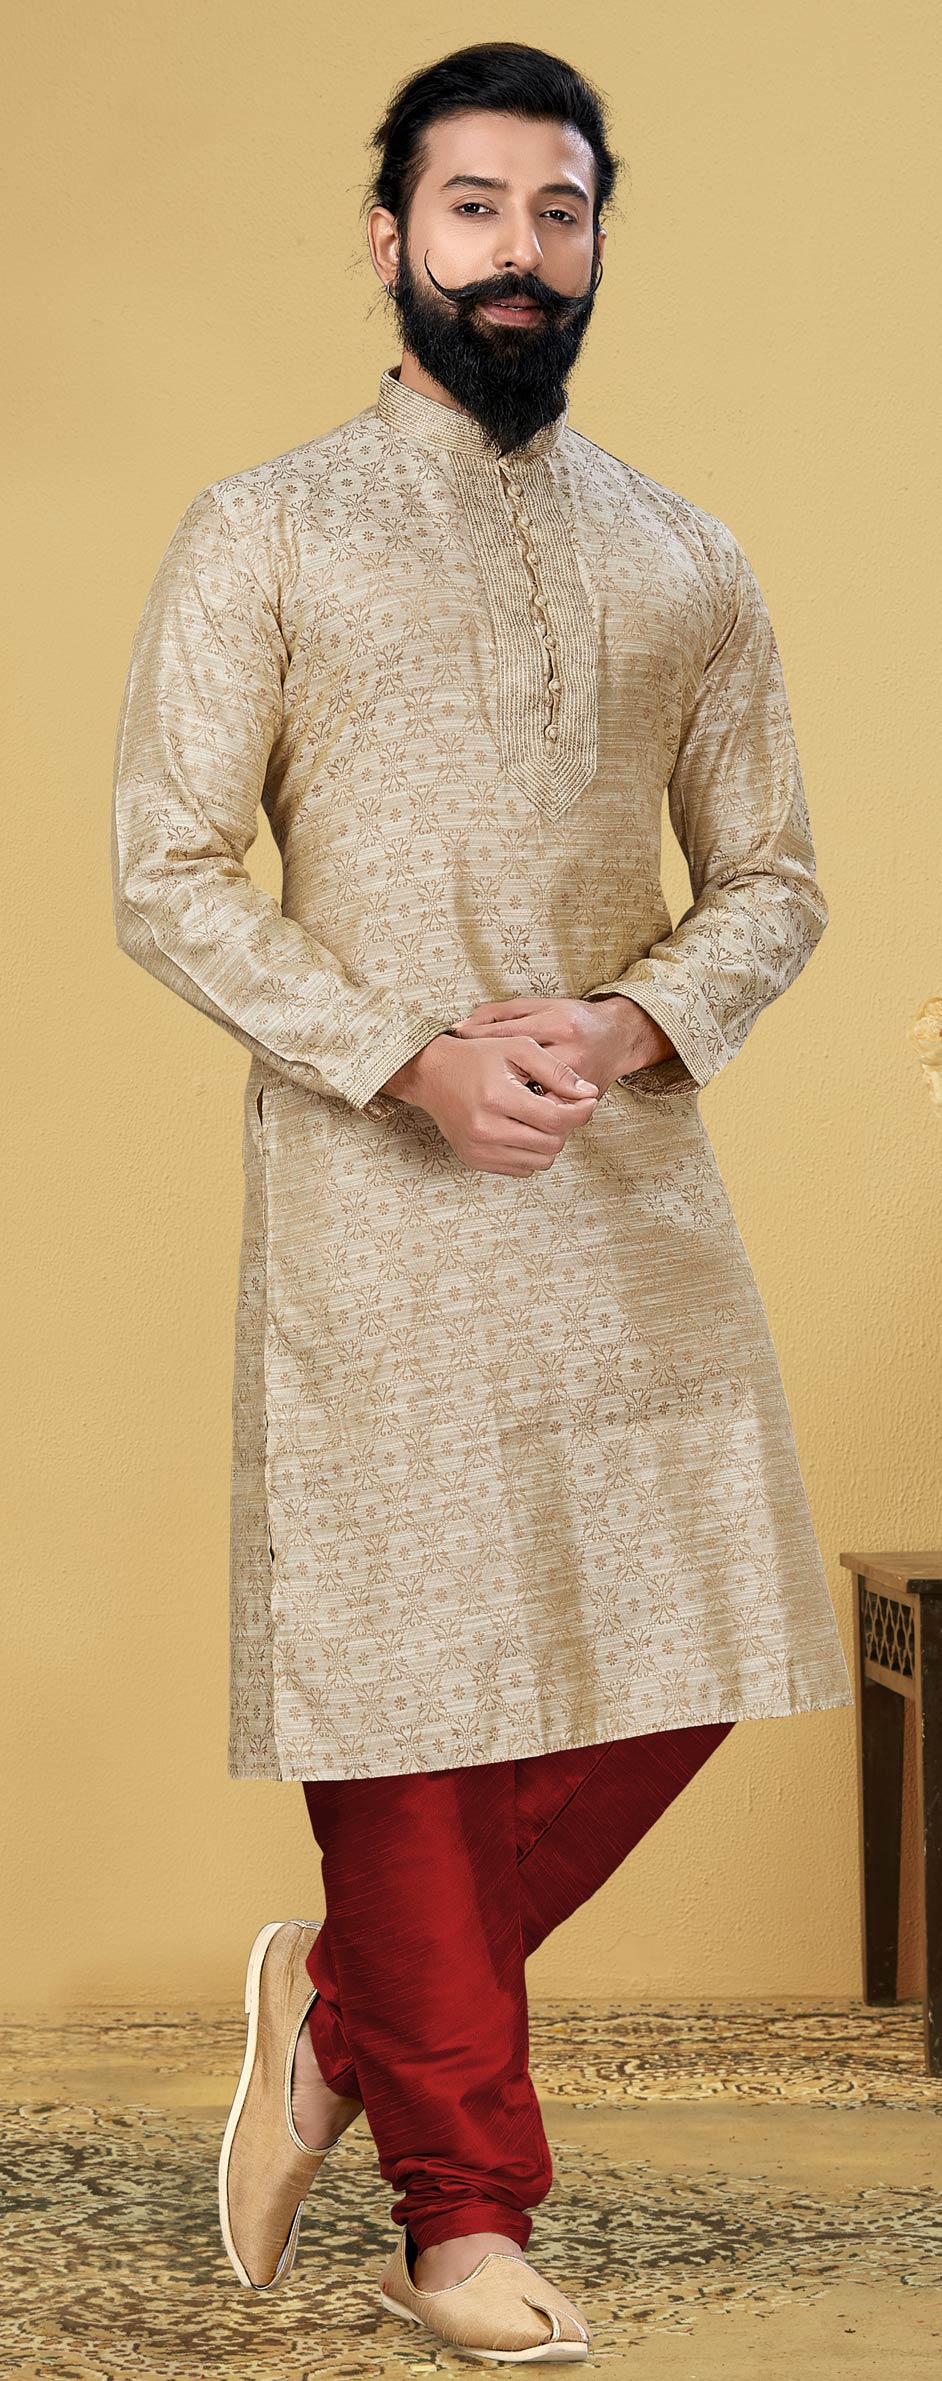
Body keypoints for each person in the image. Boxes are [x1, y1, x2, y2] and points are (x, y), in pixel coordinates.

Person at [110, 39, 853, 2362]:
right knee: (408, 1698)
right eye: (472, 208)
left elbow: (776, 876)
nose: (517, 252)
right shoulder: (267, 529)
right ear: (389, 240)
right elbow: (166, 869)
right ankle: (463, 2211)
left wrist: (630, 1027)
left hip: (628, 1184)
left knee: (704, 1640)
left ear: (596, 239)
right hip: (377, 1192)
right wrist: (409, 1059)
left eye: (558, 209)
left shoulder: (683, 554)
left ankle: (342, 2007)